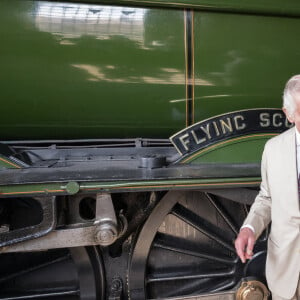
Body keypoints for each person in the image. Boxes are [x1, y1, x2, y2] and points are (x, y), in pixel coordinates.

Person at [235, 74, 300, 300]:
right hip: (285, 270)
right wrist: (249, 228)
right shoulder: (273, 149)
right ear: (289, 114)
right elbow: (267, 198)